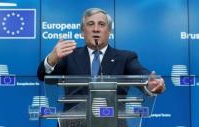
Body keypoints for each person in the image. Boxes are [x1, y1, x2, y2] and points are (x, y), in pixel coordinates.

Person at [37, 8, 165, 127]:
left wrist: (150, 83)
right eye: (90, 24)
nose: (96, 29)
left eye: (101, 24)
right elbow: (43, 76)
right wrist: (52, 59)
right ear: (82, 32)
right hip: (74, 124)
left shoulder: (125, 57)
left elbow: (140, 73)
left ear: (109, 31)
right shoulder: (69, 56)